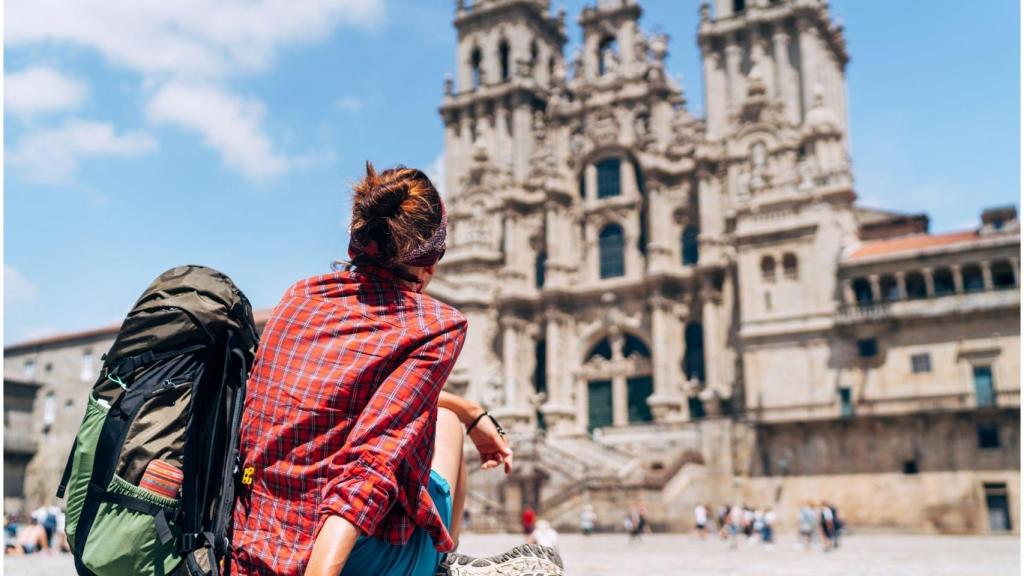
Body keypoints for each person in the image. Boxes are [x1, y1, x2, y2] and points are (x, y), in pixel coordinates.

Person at [230, 163, 522, 576]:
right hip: (334, 559)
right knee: (446, 425)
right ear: (431, 261)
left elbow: (339, 395)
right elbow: (368, 471)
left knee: (449, 414)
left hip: (252, 536)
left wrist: (469, 408)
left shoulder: (299, 296)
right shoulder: (436, 325)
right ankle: (441, 566)